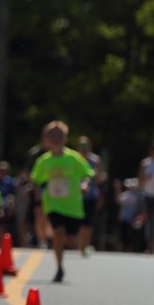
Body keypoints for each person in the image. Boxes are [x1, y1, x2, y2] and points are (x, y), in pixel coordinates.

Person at [30, 121, 94, 283]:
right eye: (52, 135)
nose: (56, 138)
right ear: (47, 139)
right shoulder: (44, 161)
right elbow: (36, 179)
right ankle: (59, 267)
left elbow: (87, 174)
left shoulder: (74, 158)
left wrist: (84, 184)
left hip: (73, 206)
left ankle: (54, 236)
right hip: (53, 203)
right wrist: (37, 191)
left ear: (65, 138)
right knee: (59, 230)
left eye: (60, 135)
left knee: (71, 240)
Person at [74, 136, 104, 255]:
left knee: (88, 222)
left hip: (91, 195)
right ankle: (78, 245)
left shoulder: (95, 160)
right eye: (81, 147)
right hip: (76, 195)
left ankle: (85, 245)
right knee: (78, 222)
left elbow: (100, 180)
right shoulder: (75, 159)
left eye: (85, 147)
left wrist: (96, 175)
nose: (83, 149)